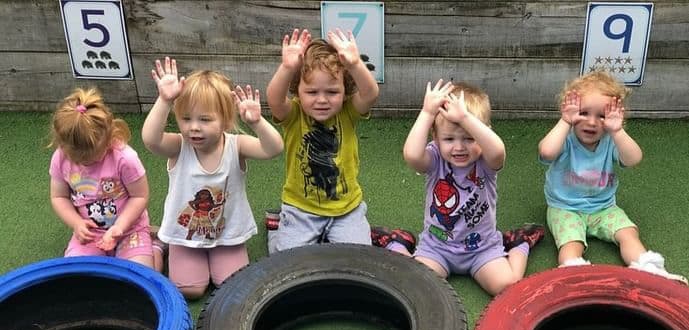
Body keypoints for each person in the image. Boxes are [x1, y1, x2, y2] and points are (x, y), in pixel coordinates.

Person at [142, 57, 283, 299]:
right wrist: (165, 100)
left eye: (205, 119)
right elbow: (151, 140)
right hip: (185, 234)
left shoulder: (236, 145)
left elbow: (273, 149)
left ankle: (204, 256)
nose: (194, 127)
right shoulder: (179, 146)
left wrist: (257, 122)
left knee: (231, 285)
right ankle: (162, 243)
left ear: (225, 120)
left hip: (226, 234)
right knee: (191, 290)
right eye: (186, 119)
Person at [265, 28, 414, 253]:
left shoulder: (347, 111)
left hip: (346, 210)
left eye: (332, 92)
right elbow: (275, 100)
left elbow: (370, 94)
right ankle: (279, 227)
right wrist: (287, 68)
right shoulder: (294, 114)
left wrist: (354, 64)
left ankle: (361, 232)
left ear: (345, 91)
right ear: (298, 91)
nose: (322, 100)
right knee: (285, 258)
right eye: (312, 92)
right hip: (300, 210)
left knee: (357, 257)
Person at [538, 71, 687, 283]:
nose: (592, 122)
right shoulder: (566, 139)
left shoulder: (610, 140)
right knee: (571, 243)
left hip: (604, 207)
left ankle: (650, 270)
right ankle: (574, 273)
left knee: (628, 233)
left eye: (602, 116)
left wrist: (617, 132)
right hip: (565, 207)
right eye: (583, 113)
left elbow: (634, 159)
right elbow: (546, 152)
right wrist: (564, 122)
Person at [399, 80, 544, 296]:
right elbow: (411, 155)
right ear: (435, 139)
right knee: (417, 284)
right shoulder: (435, 158)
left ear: (483, 134)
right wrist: (427, 113)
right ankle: (397, 244)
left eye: (469, 138)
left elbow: (498, 152)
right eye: (449, 139)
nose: (459, 147)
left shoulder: (485, 161)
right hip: (437, 248)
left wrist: (465, 118)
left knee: (507, 286)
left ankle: (519, 244)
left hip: (482, 250)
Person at [49, 87, 163, 271]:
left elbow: (140, 196)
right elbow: (59, 197)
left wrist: (119, 227)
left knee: (142, 277)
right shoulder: (60, 158)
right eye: (79, 159)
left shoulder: (125, 158)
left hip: (129, 229)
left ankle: (155, 247)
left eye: (94, 156)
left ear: (109, 137)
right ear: (63, 145)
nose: (86, 163)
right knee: (79, 276)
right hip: (91, 233)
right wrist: (76, 223)